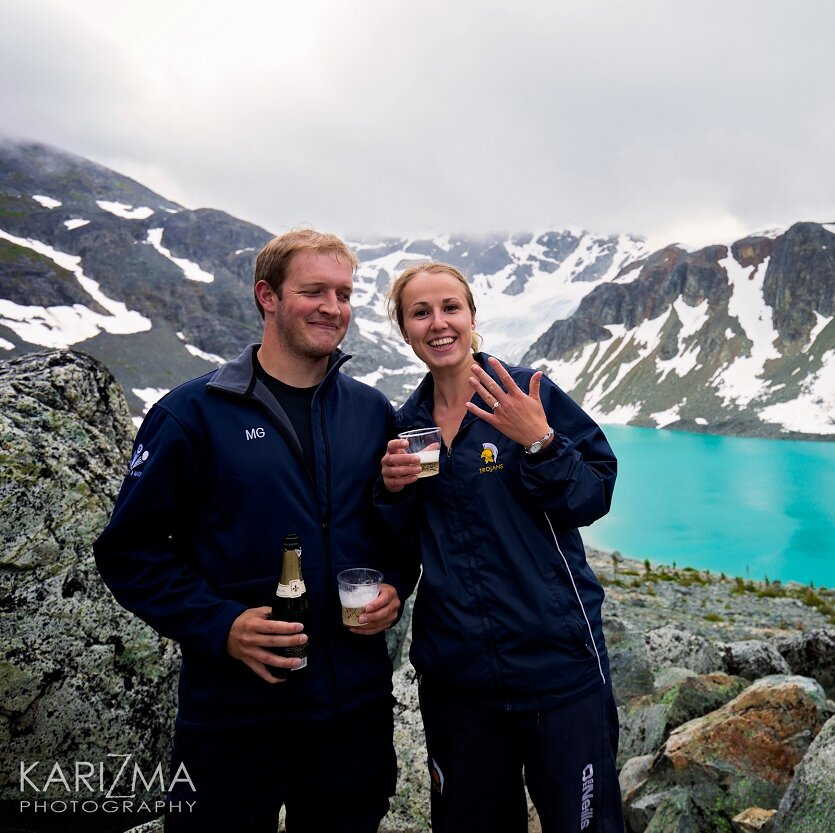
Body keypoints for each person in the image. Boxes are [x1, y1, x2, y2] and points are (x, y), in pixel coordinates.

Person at [94, 229, 412, 833]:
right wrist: (221, 625)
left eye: (343, 293)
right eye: (313, 290)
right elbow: (129, 551)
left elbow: (395, 536)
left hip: (353, 717)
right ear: (267, 296)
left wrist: (395, 586)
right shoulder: (191, 414)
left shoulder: (371, 412)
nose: (333, 307)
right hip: (233, 719)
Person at [378, 261, 624, 833]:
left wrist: (539, 441)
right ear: (405, 328)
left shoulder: (524, 393)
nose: (438, 324)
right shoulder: (407, 424)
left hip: (558, 665)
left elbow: (593, 495)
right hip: (457, 678)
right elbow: (406, 541)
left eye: (450, 308)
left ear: (470, 317)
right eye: (421, 313)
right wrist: (390, 491)